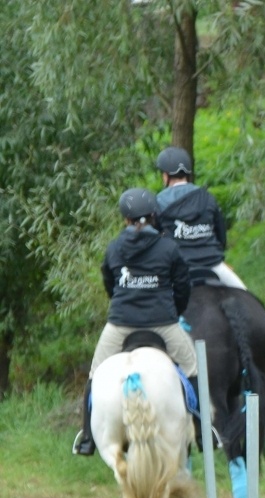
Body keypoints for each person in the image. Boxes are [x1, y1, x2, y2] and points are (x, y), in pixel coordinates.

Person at [73, 188, 199, 457]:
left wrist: (123, 304)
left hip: (120, 324)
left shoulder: (114, 247)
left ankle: (87, 438)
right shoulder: (169, 247)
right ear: (153, 216)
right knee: (191, 368)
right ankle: (201, 430)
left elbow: (109, 282)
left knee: (95, 375)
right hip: (163, 323)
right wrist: (173, 311)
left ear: (125, 219)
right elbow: (183, 286)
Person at [154, 147, 246, 290]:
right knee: (247, 298)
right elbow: (221, 237)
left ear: (166, 176)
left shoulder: (158, 203)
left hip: (177, 271)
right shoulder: (207, 197)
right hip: (214, 266)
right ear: (187, 173)